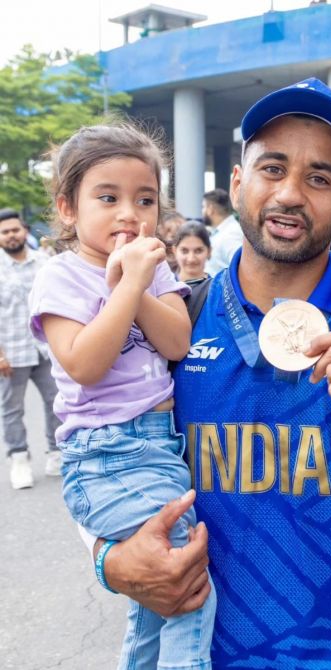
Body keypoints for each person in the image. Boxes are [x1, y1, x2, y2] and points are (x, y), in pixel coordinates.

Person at [93, 78, 331, 669]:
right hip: (193, 655)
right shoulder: (172, 320)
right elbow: (106, 456)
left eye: (320, 178)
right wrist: (107, 557)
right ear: (237, 183)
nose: (290, 194)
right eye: (272, 168)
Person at [28, 123, 217, 669]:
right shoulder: (60, 277)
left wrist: (138, 279)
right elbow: (85, 363)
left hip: (159, 448)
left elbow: (177, 340)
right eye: (107, 198)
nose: (129, 214)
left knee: (155, 603)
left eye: (145, 199)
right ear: (68, 208)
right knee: (188, 586)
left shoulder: (154, 270)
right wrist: (126, 285)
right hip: (106, 454)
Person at [0, 208, 61, 489]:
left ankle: (55, 453)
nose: (11, 235)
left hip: (45, 349)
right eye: (5, 232)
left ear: (24, 231)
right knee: (12, 408)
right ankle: (19, 457)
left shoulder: (43, 262)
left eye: (15, 230)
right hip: (11, 352)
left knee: (56, 402)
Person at [202, 188, 243, 276]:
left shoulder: (231, 234)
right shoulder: (223, 232)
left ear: (210, 209)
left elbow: (240, 269)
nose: (202, 211)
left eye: (203, 207)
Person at [174, 221, 212, 285]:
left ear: (209, 251)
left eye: (198, 251)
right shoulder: (162, 289)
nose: (191, 259)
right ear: (174, 251)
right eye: (184, 251)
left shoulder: (217, 290)